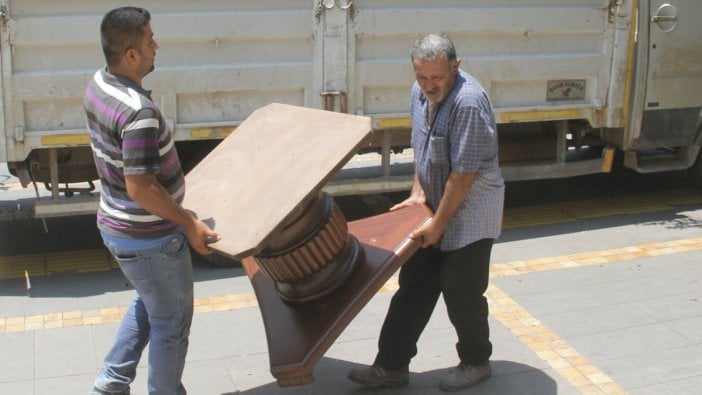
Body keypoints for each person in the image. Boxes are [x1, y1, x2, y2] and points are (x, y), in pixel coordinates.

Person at [347, 33, 504, 392]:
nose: (429, 85)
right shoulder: (417, 93)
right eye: (422, 77)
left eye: (437, 77)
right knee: (414, 285)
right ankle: (390, 367)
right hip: (435, 205)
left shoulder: (468, 102)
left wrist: (438, 224)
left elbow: (463, 175)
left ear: (456, 66)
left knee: (461, 290)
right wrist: (418, 197)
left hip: (471, 212)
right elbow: (423, 149)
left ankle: (477, 362)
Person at [84, 7, 220, 395]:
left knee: (151, 303)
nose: (156, 46)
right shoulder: (139, 113)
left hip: (116, 226)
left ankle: (111, 383)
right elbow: (141, 187)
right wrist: (188, 221)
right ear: (130, 55)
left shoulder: (97, 83)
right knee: (172, 322)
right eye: (149, 40)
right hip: (150, 239)